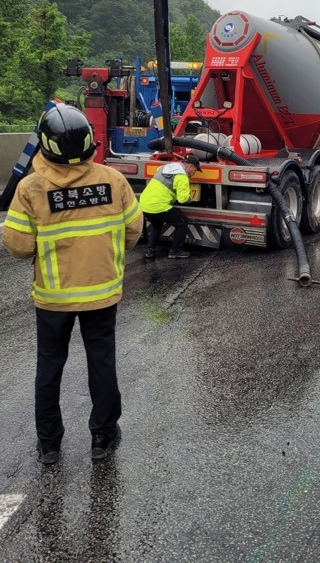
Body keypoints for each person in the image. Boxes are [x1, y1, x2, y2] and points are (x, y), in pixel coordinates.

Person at [2, 103, 143, 465]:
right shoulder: (113, 181)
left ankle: (49, 445)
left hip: (53, 298)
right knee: (102, 362)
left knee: (49, 368)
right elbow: (133, 231)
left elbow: (17, 247)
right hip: (102, 292)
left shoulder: (30, 188)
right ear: (89, 142)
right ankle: (103, 437)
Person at [138, 154, 200, 260]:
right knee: (182, 222)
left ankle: (150, 250)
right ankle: (175, 251)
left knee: (156, 225)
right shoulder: (182, 177)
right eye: (195, 170)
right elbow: (182, 199)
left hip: (144, 204)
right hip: (159, 206)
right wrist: (189, 198)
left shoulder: (167, 167)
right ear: (190, 167)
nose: (194, 174)